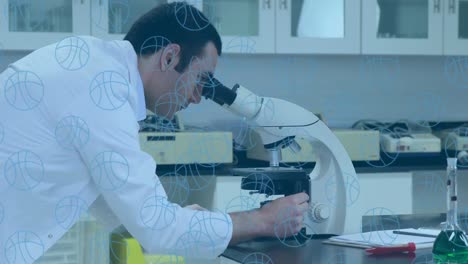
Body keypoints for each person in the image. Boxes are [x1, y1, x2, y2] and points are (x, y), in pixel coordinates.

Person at [0, 2, 309, 263]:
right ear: (170, 57)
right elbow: (157, 230)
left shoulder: (97, 70)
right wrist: (262, 221)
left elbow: (123, 207)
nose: (198, 96)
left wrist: (186, 221)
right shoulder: (101, 90)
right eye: (202, 79)